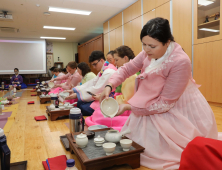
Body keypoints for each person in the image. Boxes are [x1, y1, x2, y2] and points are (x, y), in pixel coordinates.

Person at [100, 17, 218, 169]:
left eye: (152, 46)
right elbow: (127, 68)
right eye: (144, 44)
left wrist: (129, 108)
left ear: (167, 42)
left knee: (161, 149)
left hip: (176, 103)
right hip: (152, 100)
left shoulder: (181, 61)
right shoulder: (147, 52)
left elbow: (165, 104)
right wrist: (110, 85)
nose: (146, 49)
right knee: (136, 140)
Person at [85, 45, 139, 131]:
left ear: (125, 58)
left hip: (126, 107)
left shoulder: (131, 75)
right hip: (121, 101)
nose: (115, 62)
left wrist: (111, 98)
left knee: (99, 114)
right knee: (97, 112)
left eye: (116, 60)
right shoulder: (123, 72)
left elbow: (126, 99)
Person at [65, 51, 117, 116]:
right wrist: (75, 90)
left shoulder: (108, 71)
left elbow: (97, 89)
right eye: (93, 65)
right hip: (100, 95)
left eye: (95, 64)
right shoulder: (104, 69)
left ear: (101, 60)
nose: (94, 67)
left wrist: (77, 94)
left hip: (108, 98)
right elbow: (92, 82)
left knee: (82, 107)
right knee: (80, 104)